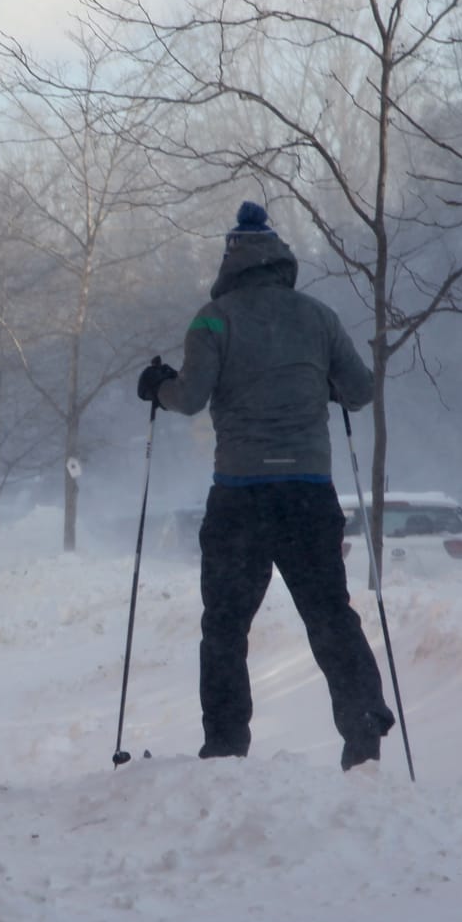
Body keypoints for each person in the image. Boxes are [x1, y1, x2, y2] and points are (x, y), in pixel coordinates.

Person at [137, 201, 397, 769]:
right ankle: (364, 737)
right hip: (307, 492)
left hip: (240, 496)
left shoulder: (213, 319)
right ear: (279, 260)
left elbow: (191, 397)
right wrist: (319, 383)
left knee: (225, 626)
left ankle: (226, 746)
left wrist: (157, 386)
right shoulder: (319, 317)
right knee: (329, 614)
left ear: (232, 261)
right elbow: (359, 391)